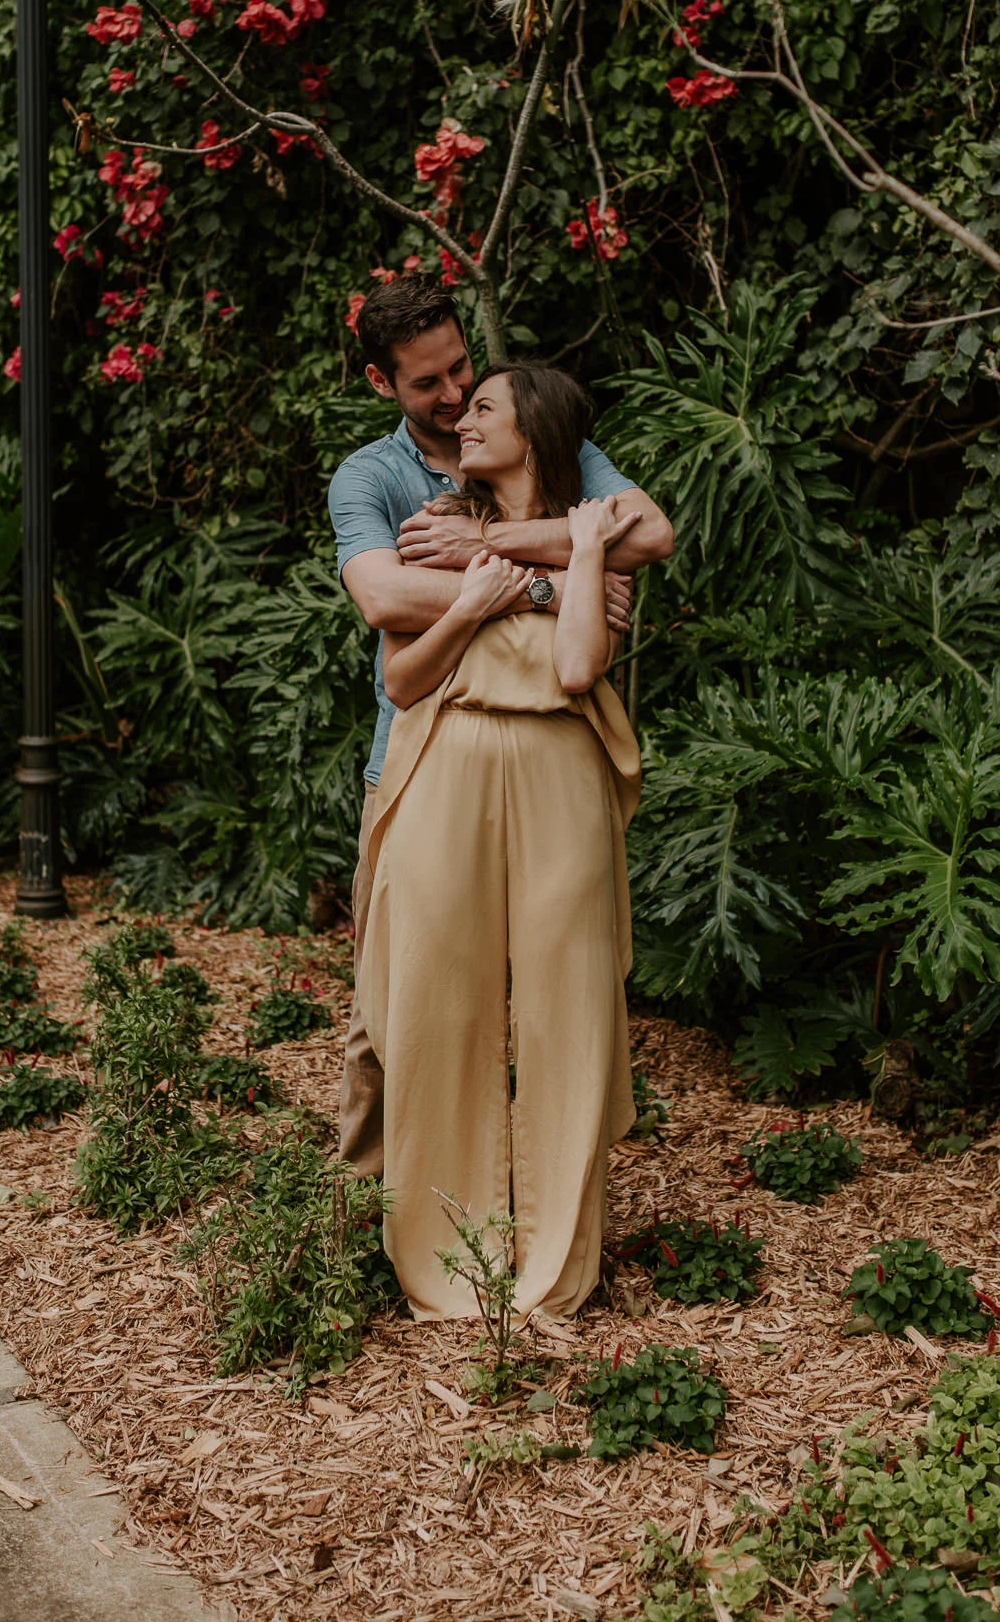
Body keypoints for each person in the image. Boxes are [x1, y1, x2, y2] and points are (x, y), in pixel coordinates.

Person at [328, 277, 672, 1178]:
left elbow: (647, 536)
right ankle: (369, 1200)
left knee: (552, 991)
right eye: (427, 383)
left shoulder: (547, 438)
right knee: (393, 999)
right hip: (415, 758)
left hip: (549, 761)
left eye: (461, 370)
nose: (453, 395)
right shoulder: (371, 477)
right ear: (381, 382)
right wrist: (559, 585)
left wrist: (492, 547)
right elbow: (385, 596)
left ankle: (519, 1199)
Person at [356, 361, 641, 1321]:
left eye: (484, 408)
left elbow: (578, 667)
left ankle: (554, 1264)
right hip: (449, 759)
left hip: (561, 769)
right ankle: (445, 1253)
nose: (462, 419)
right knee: (435, 1001)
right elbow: (401, 681)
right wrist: (484, 600)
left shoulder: (591, 529)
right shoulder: (437, 531)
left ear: (535, 430)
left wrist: (572, 568)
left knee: (570, 1007)